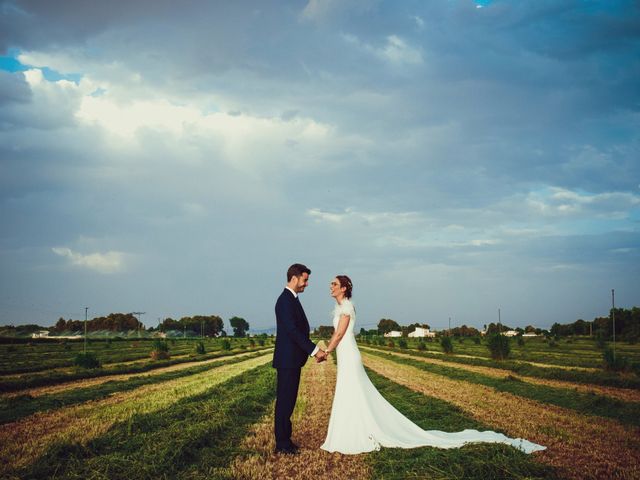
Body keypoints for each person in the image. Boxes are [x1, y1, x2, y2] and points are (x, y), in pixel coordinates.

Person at [320, 275, 546, 455]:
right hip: (346, 352)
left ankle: (355, 432)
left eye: (334, 284)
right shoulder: (341, 308)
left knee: (353, 390)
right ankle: (351, 429)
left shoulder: (347, 308)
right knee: (350, 391)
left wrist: (327, 351)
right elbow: (337, 333)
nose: (330, 286)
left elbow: (339, 334)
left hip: (348, 353)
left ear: (344, 288)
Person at [273, 263, 327, 455]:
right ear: (294, 278)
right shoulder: (285, 301)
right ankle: (282, 444)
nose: (306, 284)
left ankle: (286, 440)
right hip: (287, 360)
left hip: (292, 360)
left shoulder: (291, 299)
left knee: (289, 401)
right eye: (305, 280)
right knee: (285, 402)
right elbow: (293, 331)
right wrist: (314, 350)